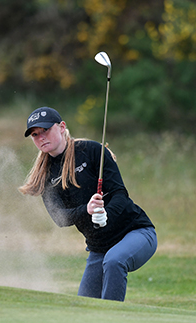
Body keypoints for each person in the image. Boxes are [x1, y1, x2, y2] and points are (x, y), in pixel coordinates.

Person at [19, 107, 157, 302]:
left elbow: (120, 194)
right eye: (35, 134)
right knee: (85, 305)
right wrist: (87, 210)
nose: (41, 137)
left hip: (137, 232)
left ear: (61, 127)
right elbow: (60, 217)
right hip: (99, 248)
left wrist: (106, 214)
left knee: (114, 261)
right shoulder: (46, 175)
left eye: (46, 130)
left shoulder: (92, 151)